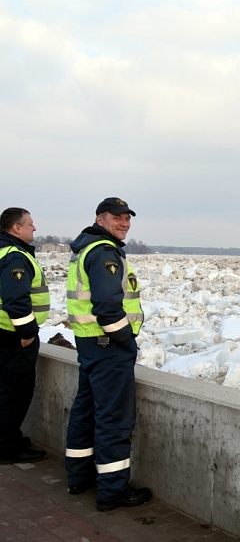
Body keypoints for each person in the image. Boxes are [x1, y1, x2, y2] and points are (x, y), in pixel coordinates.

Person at [64, 197, 151, 511]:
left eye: (127, 218)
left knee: (86, 411)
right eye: (117, 217)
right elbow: (107, 305)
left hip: (89, 345)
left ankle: (79, 477)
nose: (124, 223)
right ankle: (113, 490)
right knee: (114, 420)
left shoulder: (87, 248)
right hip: (107, 347)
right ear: (100, 219)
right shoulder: (103, 252)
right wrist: (126, 340)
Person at [0, 208, 50, 464]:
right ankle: (7, 448)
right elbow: (16, 299)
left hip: (4, 334)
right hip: (13, 337)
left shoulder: (4, 252)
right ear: (16, 228)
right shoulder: (15, 257)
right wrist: (27, 333)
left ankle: (9, 439)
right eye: (30, 223)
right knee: (14, 393)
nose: (34, 228)